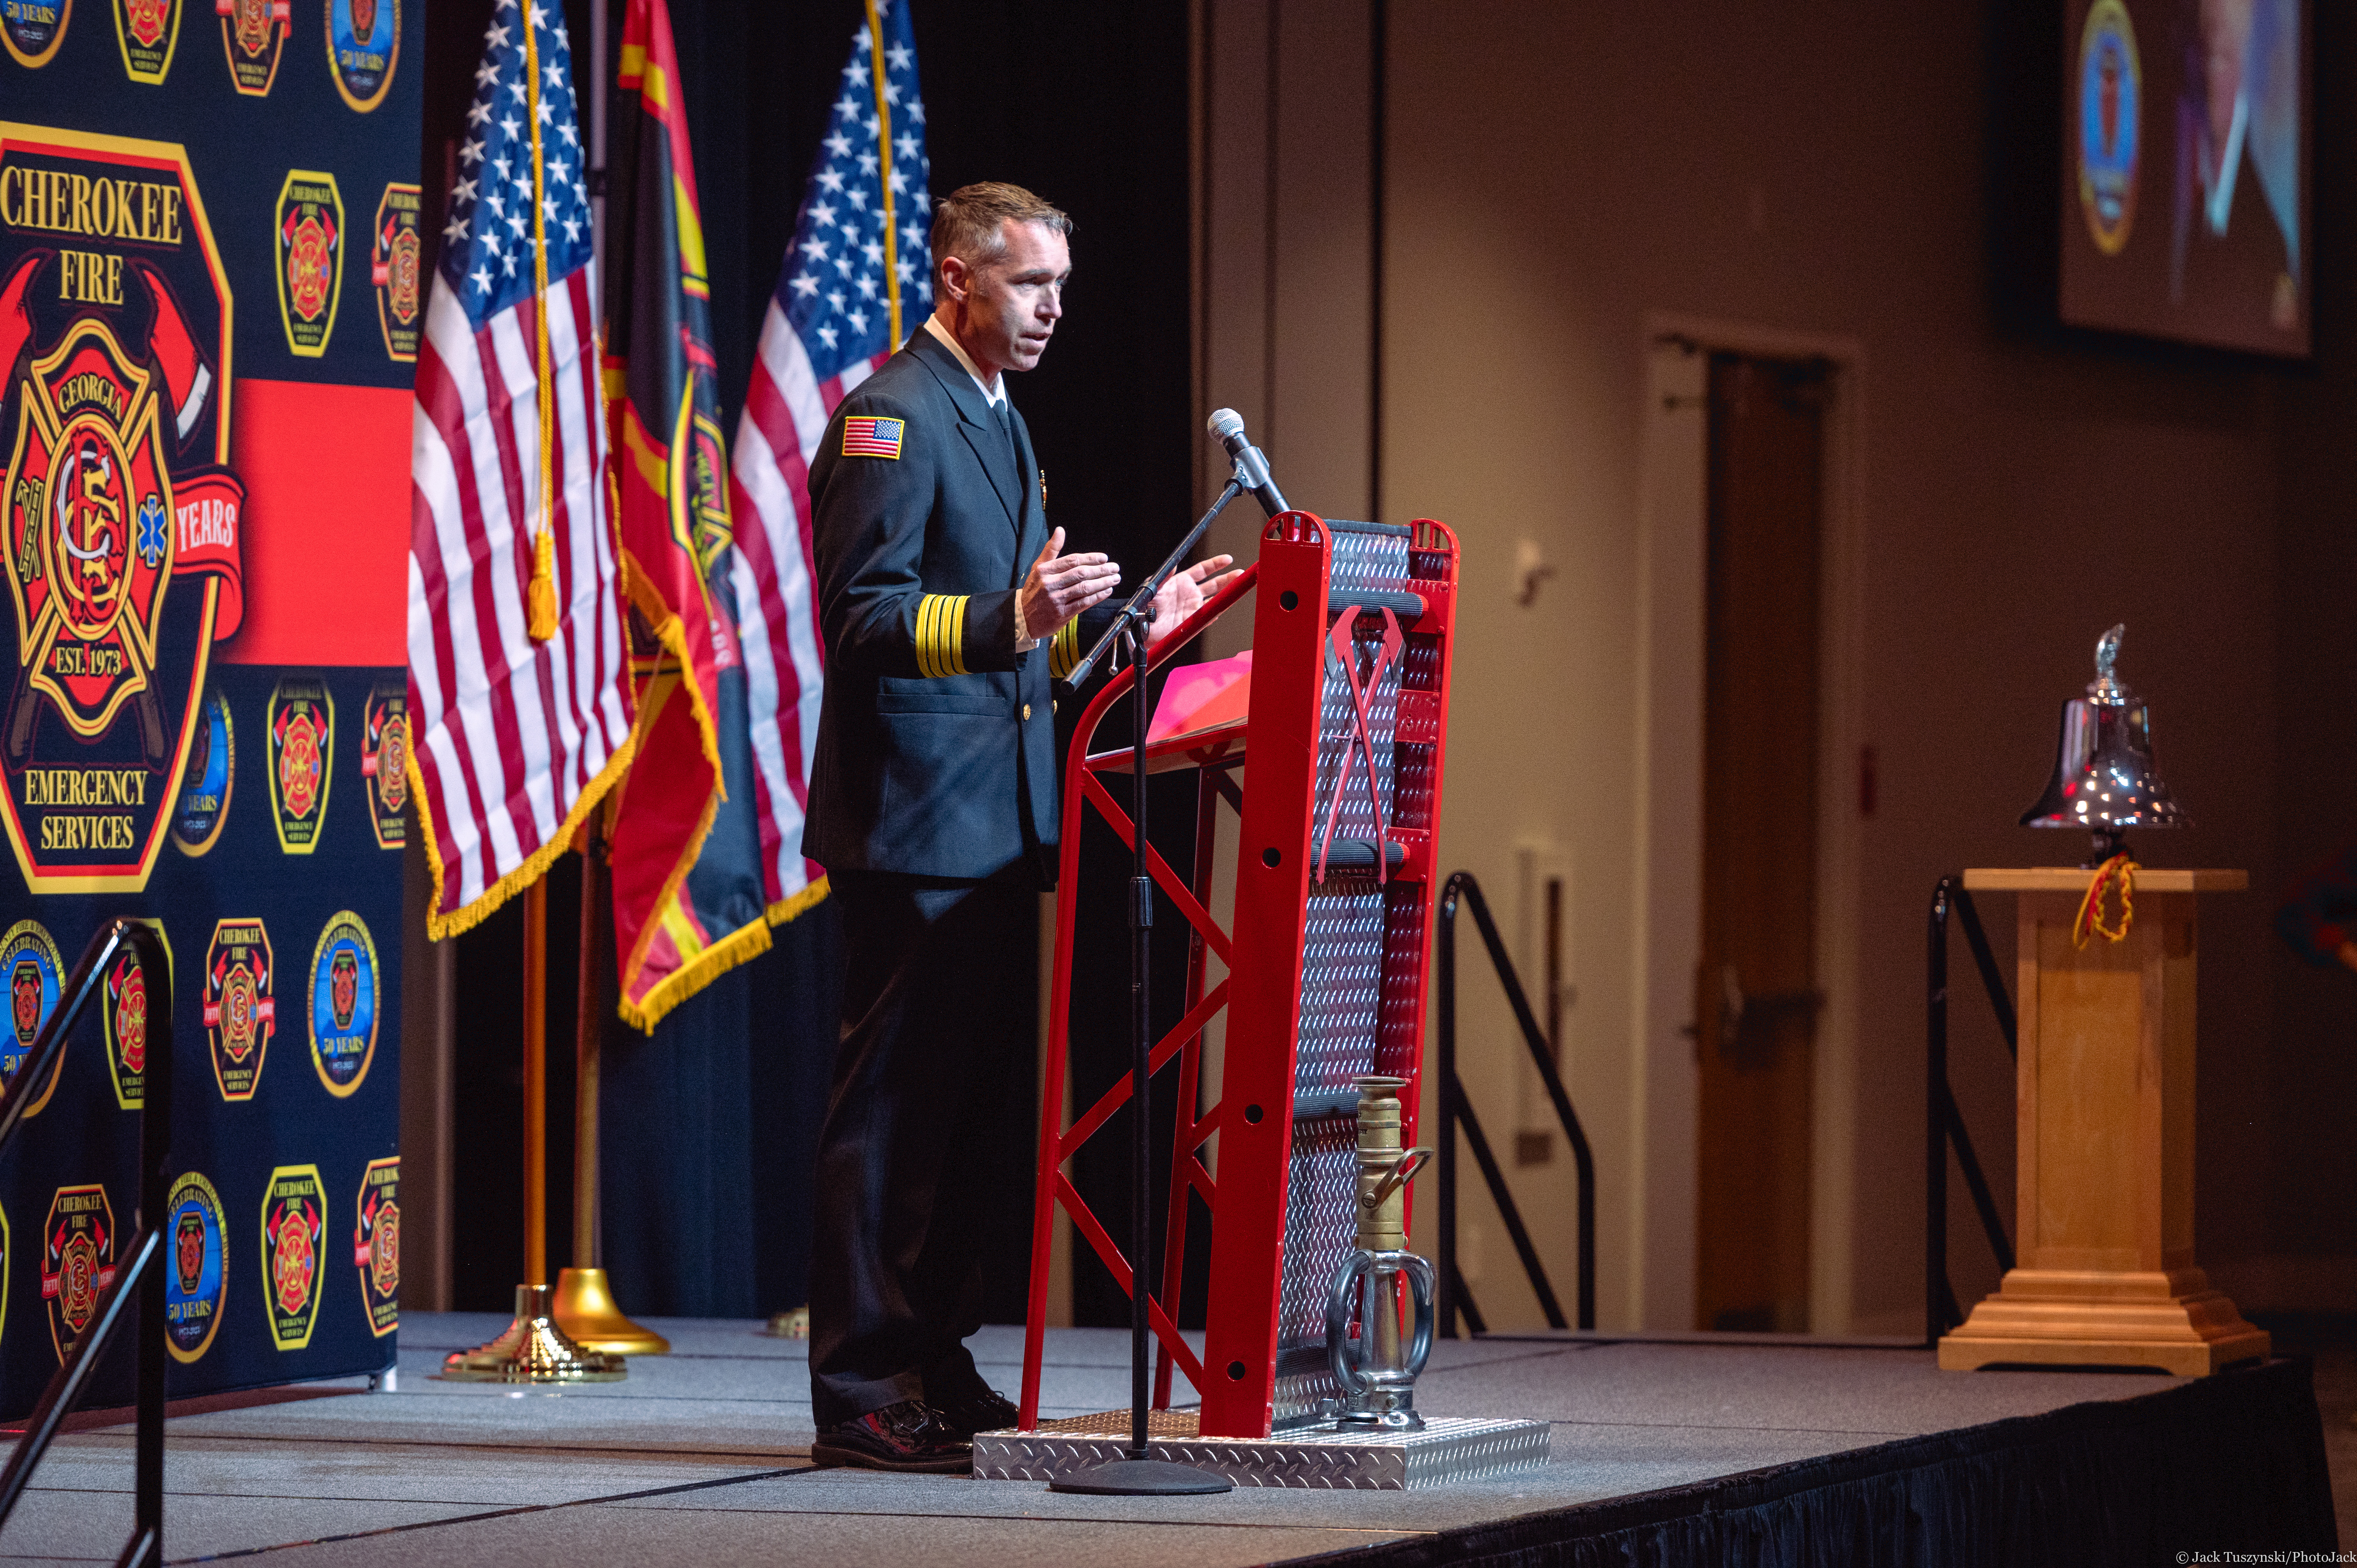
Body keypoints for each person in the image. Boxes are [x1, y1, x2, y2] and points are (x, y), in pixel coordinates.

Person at [802, 182, 1236, 1473]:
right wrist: (1014, 616)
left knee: (971, 1119)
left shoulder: (1001, 418)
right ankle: (864, 1387)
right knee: (890, 1123)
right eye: (1029, 284)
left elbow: (1024, 656)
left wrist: (1136, 630)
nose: (1052, 310)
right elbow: (860, 623)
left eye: (1059, 286)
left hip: (999, 824)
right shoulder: (891, 418)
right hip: (915, 827)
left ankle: (936, 1357)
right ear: (956, 280)